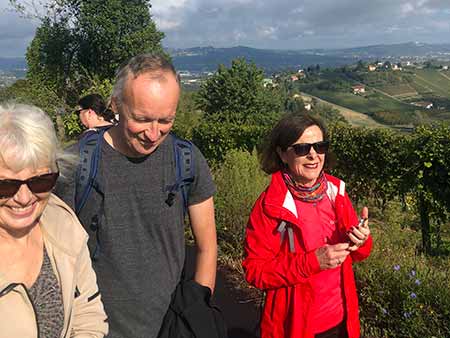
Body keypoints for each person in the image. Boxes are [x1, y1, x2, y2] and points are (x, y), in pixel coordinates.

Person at [56, 53, 217, 338]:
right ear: (116, 105)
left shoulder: (187, 160)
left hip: (171, 327)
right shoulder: (77, 164)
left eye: (166, 120)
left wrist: (195, 314)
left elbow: (207, 247)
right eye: (141, 119)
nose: (153, 134)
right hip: (95, 329)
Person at [242, 113, 372, 338]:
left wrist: (361, 240)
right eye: (302, 148)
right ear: (283, 154)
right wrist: (313, 261)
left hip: (342, 321)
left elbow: (359, 253)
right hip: (295, 326)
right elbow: (255, 270)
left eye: (320, 146)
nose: (313, 155)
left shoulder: (336, 192)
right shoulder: (271, 206)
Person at [0, 103, 108, 338]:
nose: (24, 198)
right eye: (5, 186)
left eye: (40, 181)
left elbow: (88, 315)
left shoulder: (62, 222)